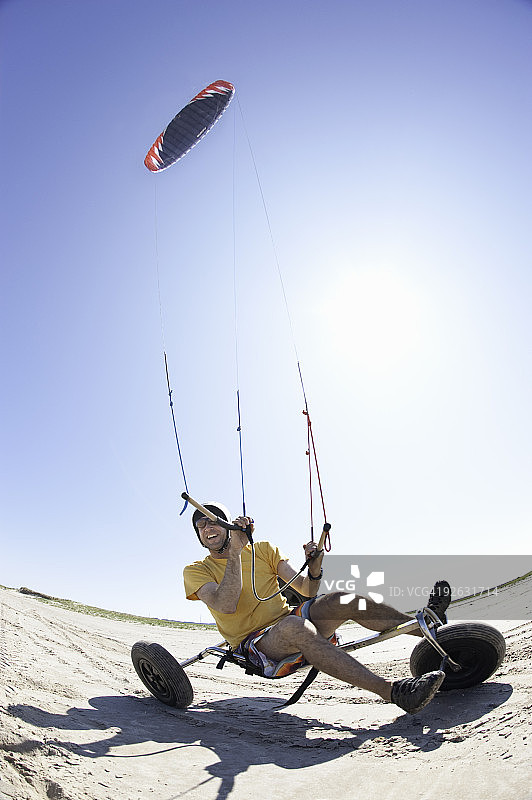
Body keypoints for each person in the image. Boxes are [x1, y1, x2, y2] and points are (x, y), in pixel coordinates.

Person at [183, 502, 452, 715]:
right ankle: (394, 692)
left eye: (213, 519)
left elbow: (307, 590)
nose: (207, 526)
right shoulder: (196, 570)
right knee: (294, 626)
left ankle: (429, 627)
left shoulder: (263, 550)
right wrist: (235, 554)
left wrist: (314, 565)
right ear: (198, 535)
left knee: (341, 598)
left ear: (229, 525)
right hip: (255, 644)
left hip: (289, 620)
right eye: (200, 524)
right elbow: (225, 605)